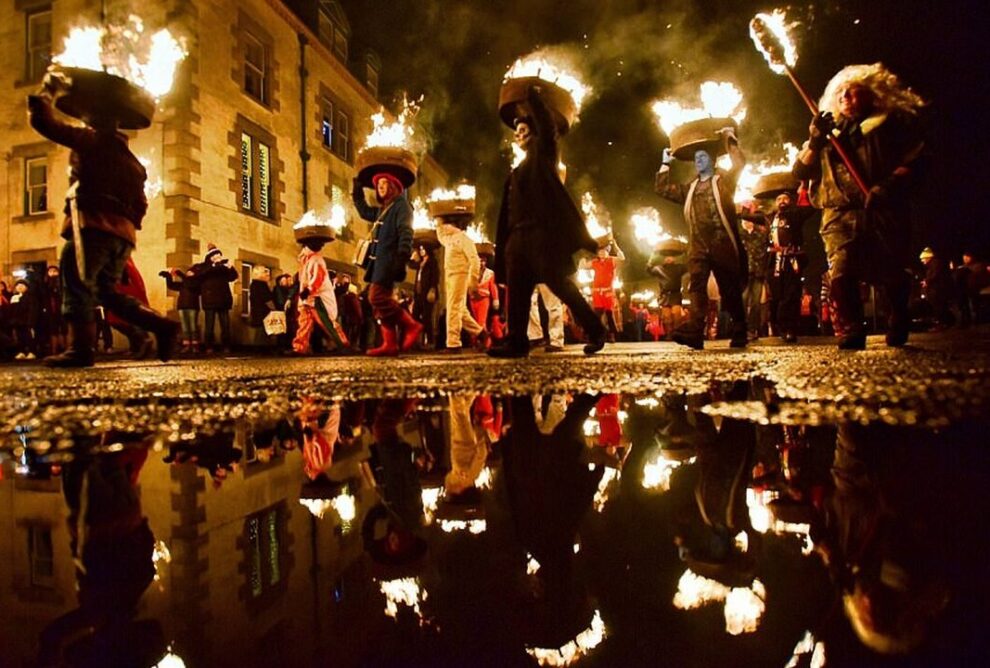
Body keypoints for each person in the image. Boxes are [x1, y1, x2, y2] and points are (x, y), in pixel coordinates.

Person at [27, 75, 178, 367]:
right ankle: (161, 326)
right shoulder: (133, 162)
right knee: (105, 292)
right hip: (121, 236)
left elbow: (44, 123)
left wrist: (48, 90)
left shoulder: (91, 141)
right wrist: (123, 232)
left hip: (91, 227)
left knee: (76, 284)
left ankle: (80, 350)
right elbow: (141, 206)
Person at [793, 63, 927, 350]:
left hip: (882, 210)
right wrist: (815, 141)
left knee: (891, 271)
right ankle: (852, 328)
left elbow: (916, 160)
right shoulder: (827, 133)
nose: (845, 97)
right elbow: (800, 172)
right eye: (841, 92)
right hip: (839, 214)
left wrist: (888, 186)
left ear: (872, 95)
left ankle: (899, 315)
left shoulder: (890, 126)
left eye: (853, 92)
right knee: (841, 268)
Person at [490, 85, 606, 357]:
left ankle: (596, 331)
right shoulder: (516, 171)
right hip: (516, 239)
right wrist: (506, 246)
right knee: (517, 292)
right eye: (515, 131)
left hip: (541, 236)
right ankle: (516, 342)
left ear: (535, 131)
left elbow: (547, 128)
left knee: (560, 285)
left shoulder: (544, 155)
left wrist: (532, 98)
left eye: (523, 128)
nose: (518, 134)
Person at [655, 129, 748, 349]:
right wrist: (665, 164)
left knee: (729, 288)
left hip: (722, 242)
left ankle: (740, 329)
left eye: (703, 157)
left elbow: (739, 164)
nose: (698, 161)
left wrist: (729, 140)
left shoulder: (724, 180)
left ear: (713, 160)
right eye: (696, 159)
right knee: (696, 285)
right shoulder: (689, 188)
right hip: (698, 245)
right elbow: (662, 189)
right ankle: (696, 330)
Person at [352, 173, 422, 356]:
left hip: (389, 261)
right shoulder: (384, 208)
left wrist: (401, 258)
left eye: (385, 183)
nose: (380, 187)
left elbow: (406, 232)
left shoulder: (402, 206)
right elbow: (363, 210)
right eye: (378, 184)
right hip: (379, 263)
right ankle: (389, 343)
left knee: (376, 297)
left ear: (394, 186)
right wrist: (357, 189)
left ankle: (411, 325)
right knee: (379, 302)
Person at [764, 190, 814, 342]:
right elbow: (749, 216)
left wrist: (804, 192)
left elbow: (811, 208)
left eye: (785, 198)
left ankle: (790, 328)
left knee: (791, 294)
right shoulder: (770, 217)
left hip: (792, 260)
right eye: (779, 198)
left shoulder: (795, 215)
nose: (782, 201)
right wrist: (743, 208)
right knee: (777, 296)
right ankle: (780, 326)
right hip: (775, 261)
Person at [436, 213, 487, 353]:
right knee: (460, 310)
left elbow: (474, 260)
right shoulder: (450, 239)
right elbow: (440, 237)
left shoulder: (465, 240)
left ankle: (453, 344)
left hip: (460, 276)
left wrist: (473, 280)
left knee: (453, 309)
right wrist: (438, 223)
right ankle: (480, 333)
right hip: (450, 276)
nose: (445, 227)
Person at [293, 238, 348, 355]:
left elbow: (318, 277)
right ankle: (300, 348)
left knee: (326, 322)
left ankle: (341, 344)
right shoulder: (307, 260)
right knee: (304, 323)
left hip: (317, 298)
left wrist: (308, 290)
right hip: (308, 298)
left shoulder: (315, 259)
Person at [196, 244, 238, 354]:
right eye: (215, 255)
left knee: (225, 325)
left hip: (223, 300)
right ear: (210, 257)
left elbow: (233, 277)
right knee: (209, 325)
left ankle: (226, 346)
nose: (218, 257)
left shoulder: (223, 268)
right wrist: (214, 266)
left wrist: (231, 268)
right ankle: (209, 346)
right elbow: (201, 274)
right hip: (209, 300)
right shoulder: (204, 266)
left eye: (219, 255)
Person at [586, 239, 625, 342]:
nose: (602, 253)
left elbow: (622, 257)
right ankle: (596, 335)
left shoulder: (612, 260)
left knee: (609, 314)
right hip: (597, 292)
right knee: (597, 315)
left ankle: (611, 335)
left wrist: (615, 245)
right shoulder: (594, 262)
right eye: (600, 251)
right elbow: (583, 265)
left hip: (608, 292)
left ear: (608, 252)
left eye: (604, 251)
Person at [738, 214, 770, 340]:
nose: (746, 222)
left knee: (756, 303)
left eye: (749, 220)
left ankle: (752, 329)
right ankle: (742, 328)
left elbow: (767, 226)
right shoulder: (740, 236)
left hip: (758, 273)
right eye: (744, 220)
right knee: (743, 301)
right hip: (743, 274)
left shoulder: (760, 235)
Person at [161, 265, 201, 353]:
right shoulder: (183, 283)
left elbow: (190, 284)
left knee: (193, 326)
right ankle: (187, 345)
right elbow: (171, 285)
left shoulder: (196, 283)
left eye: (190, 272)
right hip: (182, 306)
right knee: (185, 327)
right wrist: (168, 276)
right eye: (188, 272)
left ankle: (195, 346)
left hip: (192, 306)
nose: (188, 273)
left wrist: (180, 274)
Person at [918, 247, 953, 330]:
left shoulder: (935, 263)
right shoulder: (933, 264)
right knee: (939, 306)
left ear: (928, 257)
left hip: (938, 290)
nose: (922, 261)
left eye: (923, 259)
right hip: (936, 289)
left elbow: (935, 275)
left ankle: (943, 323)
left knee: (939, 306)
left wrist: (927, 281)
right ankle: (945, 323)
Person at [412, 244, 439, 349]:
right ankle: (417, 340)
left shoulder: (432, 261)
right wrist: (413, 256)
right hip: (418, 293)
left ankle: (430, 341)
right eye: (420, 249)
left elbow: (435, 276)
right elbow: (411, 264)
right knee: (415, 316)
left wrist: (432, 289)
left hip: (427, 292)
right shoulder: (420, 262)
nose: (422, 251)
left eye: (423, 249)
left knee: (427, 318)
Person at [9, 278, 40, 360]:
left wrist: (31, 321)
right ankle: (21, 352)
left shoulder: (30, 297)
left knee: (29, 337)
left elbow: (33, 310)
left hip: (27, 321)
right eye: (18, 285)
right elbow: (12, 311)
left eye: (22, 285)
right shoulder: (14, 297)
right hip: (17, 322)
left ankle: (32, 352)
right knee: (20, 337)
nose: (19, 287)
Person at [469, 254, 499, 337]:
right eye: (479, 260)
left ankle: (485, 341)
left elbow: (493, 287)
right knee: (474, 322)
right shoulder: (471, 272)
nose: (481, 263)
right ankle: (476, 341)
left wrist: (495, 299)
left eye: (483, 261)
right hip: (473, 299)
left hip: (484, 299)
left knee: (481, 321)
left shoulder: (489, 273)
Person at [248, 264, 277, 349]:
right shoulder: (261, 285)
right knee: (262, 333)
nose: (268, 274)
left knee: (259, 332)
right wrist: (274, 309)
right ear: (258, 274)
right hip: (263, 313)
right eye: (265, 272)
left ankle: (259, 349)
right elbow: (267, 299)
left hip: (257, 312)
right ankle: (263, 349)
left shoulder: (254, 284)